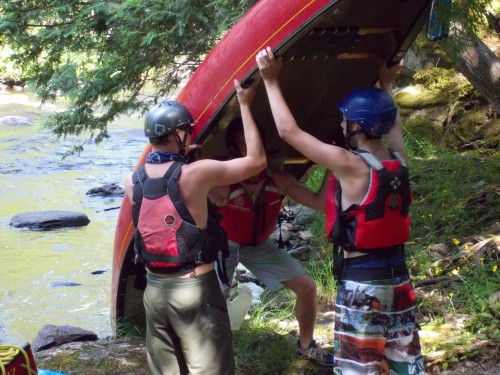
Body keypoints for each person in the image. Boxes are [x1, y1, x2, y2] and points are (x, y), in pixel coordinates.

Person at [256, 46, 425, 375]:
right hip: (398, 281)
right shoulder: (397, 158)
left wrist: (270, 80)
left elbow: (289, 132)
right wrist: (386, 84)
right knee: (400, 362)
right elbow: (395, 128)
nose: (341, 122)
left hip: (363, 285)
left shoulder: (349, 165)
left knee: (358, 368)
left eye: (346, 119)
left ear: (358, 127)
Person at [124, 79, 267, 375]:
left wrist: (184, 159)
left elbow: (164, 194)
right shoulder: (196, 174)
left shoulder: (132, 182)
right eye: (186, 132)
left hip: (155, 291)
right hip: (194, 292)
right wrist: (244, 103)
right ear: (178, 134)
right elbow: (256, 161)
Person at [209, 116, 334, 367]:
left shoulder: (278, 179)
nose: (250, 147)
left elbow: (319, 204)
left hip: (259, 247)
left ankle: (306, 345)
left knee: (307, 288)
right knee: (214, 300)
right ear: (234, 150)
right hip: (225, 245)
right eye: (243, 143)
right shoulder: (222, 178)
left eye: (254, 141)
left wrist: (333, 163)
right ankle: (212, 358)